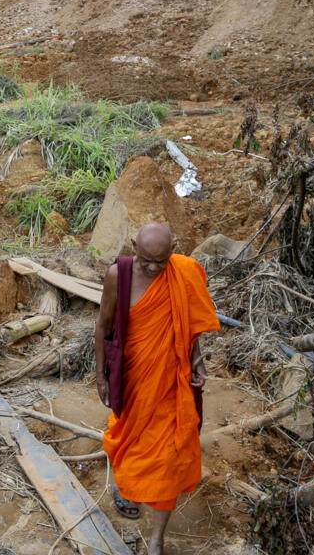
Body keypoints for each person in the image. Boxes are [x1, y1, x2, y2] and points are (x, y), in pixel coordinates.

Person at [96, 224, 220, 555]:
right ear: (133, 246)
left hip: (171, 381)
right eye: (146, 260)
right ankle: (127, 486)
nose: (153, 268)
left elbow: (188, 325)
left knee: (169, 454)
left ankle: (156, 537)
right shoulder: (117, 276)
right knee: (129, 441)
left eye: (160, 262)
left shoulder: (183, 271)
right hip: (134, 378)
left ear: (174, 249)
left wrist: (197, 362)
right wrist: (101, 376)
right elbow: (103, 326)